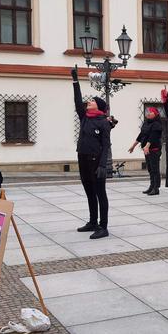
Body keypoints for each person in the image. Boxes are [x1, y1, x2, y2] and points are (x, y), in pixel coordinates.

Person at [71, 66, 111, 239]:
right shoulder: (85, 116)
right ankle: (93, 222)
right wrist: (75, 81)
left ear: (99, 106)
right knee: (88, 191)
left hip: (96, 161)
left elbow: (106, 144)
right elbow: (77, 100)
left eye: (93, 100)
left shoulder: (103, 122)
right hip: (83, 158)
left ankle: (103, 226)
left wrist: (102, 165)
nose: (89, 102)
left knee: (100, 193)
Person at [128, 107, 163, 195]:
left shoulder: (157, 124)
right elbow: (141, 135)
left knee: (155, 169)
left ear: (155, 114)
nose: (148, 113)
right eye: (147, 111)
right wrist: (133, 146)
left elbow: (153, 136)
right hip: (146, 149)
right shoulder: (146, 123)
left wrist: (147, 146)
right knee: (150, 169)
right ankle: (151, 186)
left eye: (150, 112)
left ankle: (156, 188)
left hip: (154, 149)